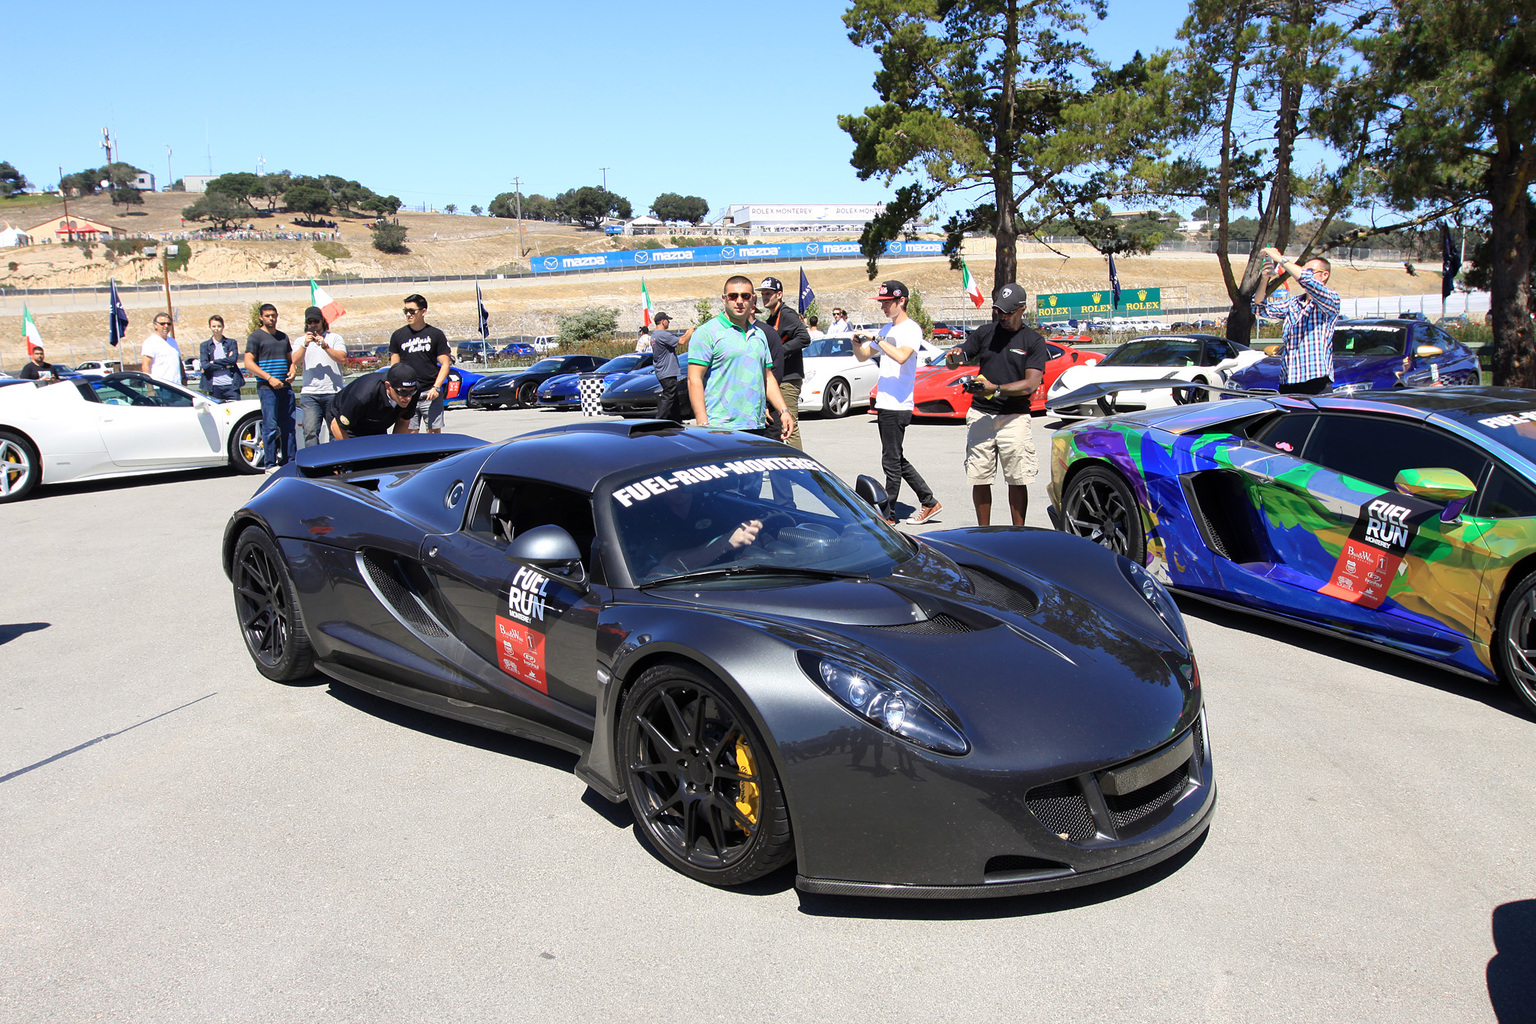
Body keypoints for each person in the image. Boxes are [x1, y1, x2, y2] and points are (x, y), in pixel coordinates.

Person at [946, 282, 1049, 526]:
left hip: (1015, 418)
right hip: (981, 415)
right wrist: (954, 357)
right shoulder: (984, 333)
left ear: (1022, 309)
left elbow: (1031, 384)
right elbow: (958, 360)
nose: (1002, 316)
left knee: (1017, 478)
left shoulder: (1033, 341)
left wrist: (997, 389)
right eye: (999, 311)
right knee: (979, 477)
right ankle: (984, 534)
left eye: (1008, 312)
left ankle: (1018, 535)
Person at [854, 281, 941, 525]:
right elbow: (863, 355)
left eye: (886, 302)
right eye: (881, 303)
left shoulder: (910, 329)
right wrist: (856, 342)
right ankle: (929, 501)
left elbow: (902, 356)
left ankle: (889, 515)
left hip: (899, 403)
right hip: (885, 401)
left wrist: (879, 339)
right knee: (896, 458)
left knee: (890, 461)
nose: (882, 307)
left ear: (901, 301)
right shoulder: (886, 328)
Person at [687, 275, 795, 441]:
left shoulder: (760, 335)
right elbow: (694, 379)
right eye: (733, 296)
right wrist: (703, 422)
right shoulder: (707, 332)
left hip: (756, 426)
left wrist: (783, 411)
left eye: (745, 296)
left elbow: (768, 377)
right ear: (724, 299)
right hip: (719, 428)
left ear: (753, 300)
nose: (739, 301)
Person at [1254, 248, 1341, 395]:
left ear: (1324, 275)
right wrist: (1264, 279)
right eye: (1303, 271)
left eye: (1309, 271)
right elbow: (1259, 308)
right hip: (1288, 379)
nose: (1301, 274)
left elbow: (1307, 281)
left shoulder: (1331, 299)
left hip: (1316, 380)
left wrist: (1281, 259)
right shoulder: (1293, 303)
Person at [757, 276, 811, 450]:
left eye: (769, 293)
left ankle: (798, 467)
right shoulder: (772, 318)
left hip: (788, 378)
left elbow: (804, 338)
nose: (765, 297)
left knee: (789, 424)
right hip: (778, 377)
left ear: (779, 295)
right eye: (763, 294)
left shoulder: (786, 314)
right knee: (778, 426)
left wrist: (779, 352)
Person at [244, 303, 296, 470]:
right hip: (267, 388)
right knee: (270, 426)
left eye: (273, 315)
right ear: (261, 317)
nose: (271, 318)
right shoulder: (256, 337)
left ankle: (290, 461)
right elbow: (248, 363)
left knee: (288, 426)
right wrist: (269, 378)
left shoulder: (283, 337)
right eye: (267, 316)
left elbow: (290, 360)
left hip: (285, 387)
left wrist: (293, 370)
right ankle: (270, 463)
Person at [389, 293, 451, 433]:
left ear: (423, 311)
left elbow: (445, 364)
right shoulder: (398, 335)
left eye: (412, 311)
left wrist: (436, 387)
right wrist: (398, 392)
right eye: (406, 311)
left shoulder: (435, 334)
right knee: (410, 434)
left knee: (433, 433)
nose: (408, 314)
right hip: (407, 393)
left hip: (430, 391)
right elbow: (394, 368)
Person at [291, 306, 347, 448]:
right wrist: (305, 344)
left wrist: (325, 346)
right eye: (310, 322)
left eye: (316, 321)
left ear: (322, 320)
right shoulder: (300, 341)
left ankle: (335, 462)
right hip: (310, 394)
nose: (313, 324)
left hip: (333, 393)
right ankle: (314, 465)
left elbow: (342, 358)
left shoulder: (334, 338)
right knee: (310, 432)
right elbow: (295, 361)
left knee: (335, 431)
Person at [328, 362, 422, 439]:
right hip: (348, 422)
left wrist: (394, 447)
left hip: (377, 423)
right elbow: (336, 426)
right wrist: (351, 455)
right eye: (402, 392)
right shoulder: (364, 395)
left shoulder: (413, 391)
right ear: (388, 386)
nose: (408, 398)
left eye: (411, 392)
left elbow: (403, 421)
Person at [199, 315, 245, 402]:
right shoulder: (205, 346)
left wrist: (213, 362)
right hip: (214, 386)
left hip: (231, 385)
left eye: (219, 326)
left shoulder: (231, 343)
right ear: (210, 327)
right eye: (214, 326)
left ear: (223, 327)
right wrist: (225, 365)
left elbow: (233, 360)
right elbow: (205, 365)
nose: (216, 329)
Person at [650, 311, 684, 422]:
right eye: (668, 320)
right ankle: (659, 420)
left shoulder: (654, 335)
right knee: (669, 394)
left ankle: (677, 420)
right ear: (663, 321)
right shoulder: (662, 334)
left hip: (662, 370)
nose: (669, 322)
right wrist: (690, 332)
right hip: (667, 371)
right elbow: (682, 341)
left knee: (673, 396)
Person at [141, 313, 182, 385]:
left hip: (176, 386)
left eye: (168, 324)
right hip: (160, 387)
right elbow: (146, 366)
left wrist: (184, 378)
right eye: (162, 324)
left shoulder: (172, 341)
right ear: (155, 325)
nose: (166, 326)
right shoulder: (150, 342)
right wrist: (150, 388)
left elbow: (179, 361)